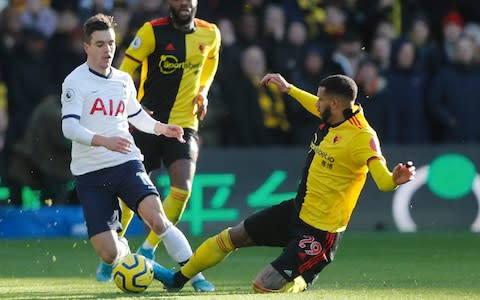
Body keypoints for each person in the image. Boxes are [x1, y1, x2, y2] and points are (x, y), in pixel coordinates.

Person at [153, 73, 416, 293]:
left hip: (321, 231)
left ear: (334, 103)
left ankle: (304, 279)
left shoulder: (362, 137)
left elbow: (382, 181)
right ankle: (177, 280)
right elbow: (313, 102)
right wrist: (288, 89)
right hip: (297, 210)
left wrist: (395, 179)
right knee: (233, 236)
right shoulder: (335, 115)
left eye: (322, 99)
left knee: (262, 286)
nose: (317, 103)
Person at [61, 13, 191, 287]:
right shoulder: (75, 82)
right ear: (86, 47)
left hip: (125, 162)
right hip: (90, 173)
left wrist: (161, 128)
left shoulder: (122, 79)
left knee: (157, 219)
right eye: (99, 44)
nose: (107, 49)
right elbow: (69, 129)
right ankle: (148, 268)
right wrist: (102, 140)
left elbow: (136, 115)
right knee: (109, 254)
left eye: (110, 43)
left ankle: (194, 276)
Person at [97, 0, 220, 292]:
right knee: (131, 193)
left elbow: (212, 61)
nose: (184, 4)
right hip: (147, 123)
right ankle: (113, 250)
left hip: (184, 123)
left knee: (183, 187)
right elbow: (124, 69)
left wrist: (202, 90)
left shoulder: (210, 33)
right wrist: (132, 106)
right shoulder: (152, 32)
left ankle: (149, 249)